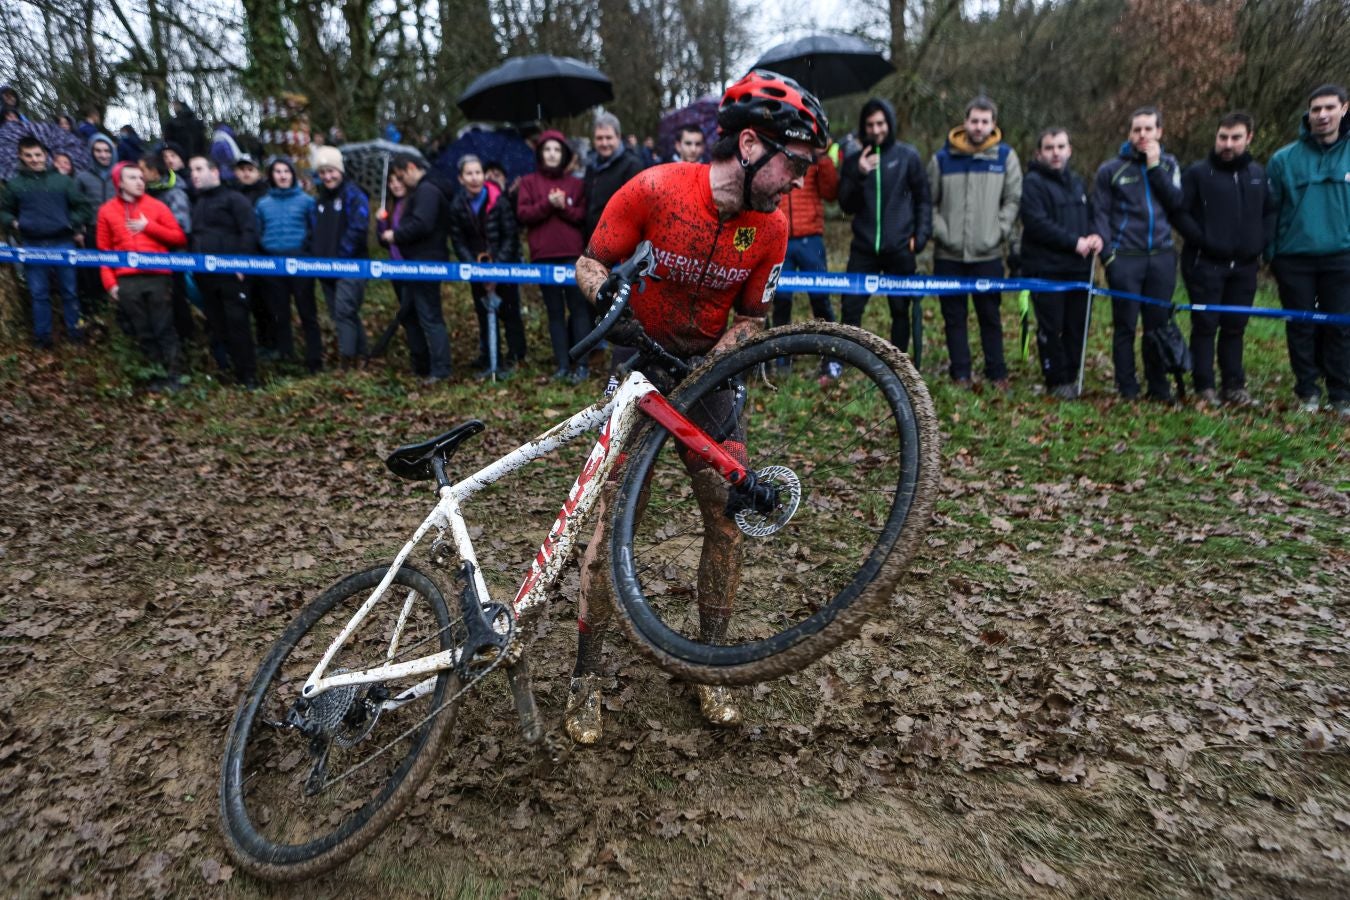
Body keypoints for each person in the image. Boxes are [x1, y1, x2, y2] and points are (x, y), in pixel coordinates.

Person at [565, 70, 828, 744]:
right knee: (614, 518)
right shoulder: (655, 188)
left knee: (728, 517)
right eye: (795, 164)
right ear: (749, 146)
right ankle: (585, 675)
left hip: (708, 377)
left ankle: (708, 665)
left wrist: (718, 362)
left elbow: (753, 320)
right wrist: (606, 302)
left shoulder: (770, 231)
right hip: (640, 364)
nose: (800, 180)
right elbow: (589, 263)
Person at [1172, 112, 1273, 407]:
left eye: (1235, 138)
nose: (1228, 144)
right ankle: (1204, 386)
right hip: (1205, 265)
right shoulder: (1197, 173)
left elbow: (1270, 211)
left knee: (1235, 326)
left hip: (1244, 266)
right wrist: (1203, 239)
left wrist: (1261, 242)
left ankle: (1234, 385)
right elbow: (1180, 213)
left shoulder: (1257, 174)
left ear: (1248, 138)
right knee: (1204, 325)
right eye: (1223, 137)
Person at [1266, 84, 1350, 417]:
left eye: (1329, 108)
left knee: (1340, 327)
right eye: (1316, 109)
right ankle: (1307, 391)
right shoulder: (1284, 160)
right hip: (1294, 258)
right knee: (1300, 326)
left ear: (1344, 108)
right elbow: (1270, 212)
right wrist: (1272, 255)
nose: (1322, 115)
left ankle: (1341, 394)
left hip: (1342, 257)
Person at [1092, 106, 1185, 402]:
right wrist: (1109, 257)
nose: (1142, 134)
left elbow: (1176, 204)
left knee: (1158, 325)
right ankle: (1127, 386)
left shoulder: (1169, 165)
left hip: (1161, 256)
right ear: (1129, 134)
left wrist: (1155, 166)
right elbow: (1100, 215)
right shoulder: (1111, 169)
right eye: (1137, 129)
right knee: (1125, 325)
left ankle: (1158, 386)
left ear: (1159, 132)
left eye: (1148, 129)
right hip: (1125, 258)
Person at [929, 96, 1022, 390]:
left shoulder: (1005, 157)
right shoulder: (942, 159)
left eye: (985, 121)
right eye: (974, 120)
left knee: (990, 316)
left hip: (988, 253)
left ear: (993, 124)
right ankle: (961, 374)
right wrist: (941, 232)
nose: (979, 126)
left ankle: (997, 374)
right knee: (954, 317)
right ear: (965, 121)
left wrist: (999, 231)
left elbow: (1013, 200)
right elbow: (927, 203)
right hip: (948, 254)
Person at [838, 97, 931, 359]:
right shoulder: (855, 160)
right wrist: (858, 173)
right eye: (870, 125)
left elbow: (924, 199)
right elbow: (846, 205)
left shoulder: (908, 156)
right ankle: (847, 358)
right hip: (864, 248)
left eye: (880, 123)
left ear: (889, 122)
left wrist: (920, 237)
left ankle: (898, 359)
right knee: (851, 306)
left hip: (900, 247)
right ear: (863, 127)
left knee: (900, 309)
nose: (876, 130)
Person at [1019, 127, 1100, 398]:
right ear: (1039, 153)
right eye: (1050, 147)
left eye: (1061, 147)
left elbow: (1090, 216)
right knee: (1052, 328)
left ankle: (1072, 376)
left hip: (1078, 269)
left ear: (1069, 150)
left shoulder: (1077, 183)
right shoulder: (1032, 183)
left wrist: (1094, 236)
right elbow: (1036, 223)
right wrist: (1073, 242)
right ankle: (1056, 380)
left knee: (1078, 325)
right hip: (1047, 268)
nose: (1056, 153)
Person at [95, 162, 187, 388]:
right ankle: (154, 375)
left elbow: (179, 237)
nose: (139, 181)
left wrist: (149, 227)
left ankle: (175, 376)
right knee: (142, 330)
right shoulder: (106, 211)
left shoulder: (157, 206)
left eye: (141, 177)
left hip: (157, 277)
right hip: (126, 281)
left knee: (164, 327)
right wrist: (110, 284)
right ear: (120, 183)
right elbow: (103, 252)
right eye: (133, 178)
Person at [0, 136, 92, 348]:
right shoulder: (14, 185)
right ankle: (43, 337)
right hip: (32, 245)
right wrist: (14, 223)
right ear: (21, 156)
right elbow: (4, 211)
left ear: (46, 155)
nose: (34, 159)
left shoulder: (63, 181)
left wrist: (71, 222)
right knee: (39, 293)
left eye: (38, 155)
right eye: (28, 155)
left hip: (63, 242)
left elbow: (83, 207)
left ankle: (75, 332)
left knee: (70, 290)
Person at [516, 131, 591, 381]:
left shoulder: (576, 184)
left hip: (572, 256)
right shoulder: (528, 182)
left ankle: (582, 365)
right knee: (554, 312)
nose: (552, 154)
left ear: (564, 155)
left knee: (578, 310)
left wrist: (563, 207)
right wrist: (547, 203)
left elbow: (582, 216)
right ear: (540, 153)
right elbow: (523, 215)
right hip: (543, 258)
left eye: (557, 150)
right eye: (547, 149)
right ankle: (562, 366)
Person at [449, 154, 527, 377]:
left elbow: (510, 236)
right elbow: (458, 240)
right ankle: (489, 358)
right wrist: (474, 266)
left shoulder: (499, 200)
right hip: (476, 267)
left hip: (504, 266)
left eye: (478, 173)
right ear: (461, 178)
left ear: (483, 175)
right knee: (483, 313)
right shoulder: (457, 205)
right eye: (469, 174)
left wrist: (497, 267)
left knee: (510, 312)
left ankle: (516, 357)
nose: (474, 178)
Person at [379, 153, 454, 384]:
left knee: (430, 316)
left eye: (402, 176)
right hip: (418, 261)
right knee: (413, 314)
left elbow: (422, 223)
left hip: (426, 262)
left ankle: (441, 369)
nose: (402, 182)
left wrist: (396, 234)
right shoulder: (428, 188)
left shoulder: (427, 190)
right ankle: (425, 364)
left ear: (411, 168)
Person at [188, 155, 260, 389]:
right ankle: (227, 369)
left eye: (199, 169)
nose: (194, 175)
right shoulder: (197, 203)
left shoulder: (234, 199)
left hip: (232, 275)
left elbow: (249, 231)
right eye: (192, 170)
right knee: (217, 325)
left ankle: (248, 375)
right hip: (206, 277)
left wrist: (242, 263)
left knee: (238, 323)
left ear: (215, 172)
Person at [255, 156, 321, 372]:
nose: (282, 175)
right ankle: (286, 357)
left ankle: (314, 360)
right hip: (273, 264)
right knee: (279, 314)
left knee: (307, 313)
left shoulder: (307, 201)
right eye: (278, 171)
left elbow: (315, 231)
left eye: (286, 171)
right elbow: (258, 231)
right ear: (272, 176)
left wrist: (307, 253)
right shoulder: (262, 204)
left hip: (300, 263)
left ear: (292, 175)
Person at [306, 146, 370, 367]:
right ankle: (363, 354)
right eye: (322, 172)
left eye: (331, 171)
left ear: (340, 170)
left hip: (351, 265)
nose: (327, 176)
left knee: (344, 310)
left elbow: (359, 228)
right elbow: (314, 231)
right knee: (341, 314)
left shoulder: (354, 195)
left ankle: (348, 360)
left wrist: (340, 256)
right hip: (324, 268)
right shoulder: (319, 200)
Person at [74, 133, 119, 317]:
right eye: (98, 151)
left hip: (117, 231)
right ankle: (95, 313)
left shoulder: (119, 175)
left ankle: (116, 311)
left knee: (117, 270)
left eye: (107, 151)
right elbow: (75, 205)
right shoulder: (82, 177)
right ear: (92, 152)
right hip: (92, 231)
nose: (103, 155)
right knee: (93, 272)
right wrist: (78, 230)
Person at [582, 113, 645, 244]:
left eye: (609, 138)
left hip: (619, 244)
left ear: (618, 137)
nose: (604, 143)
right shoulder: (591, 166)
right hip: (593, 240)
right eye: (599, 138)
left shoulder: (632, 166)